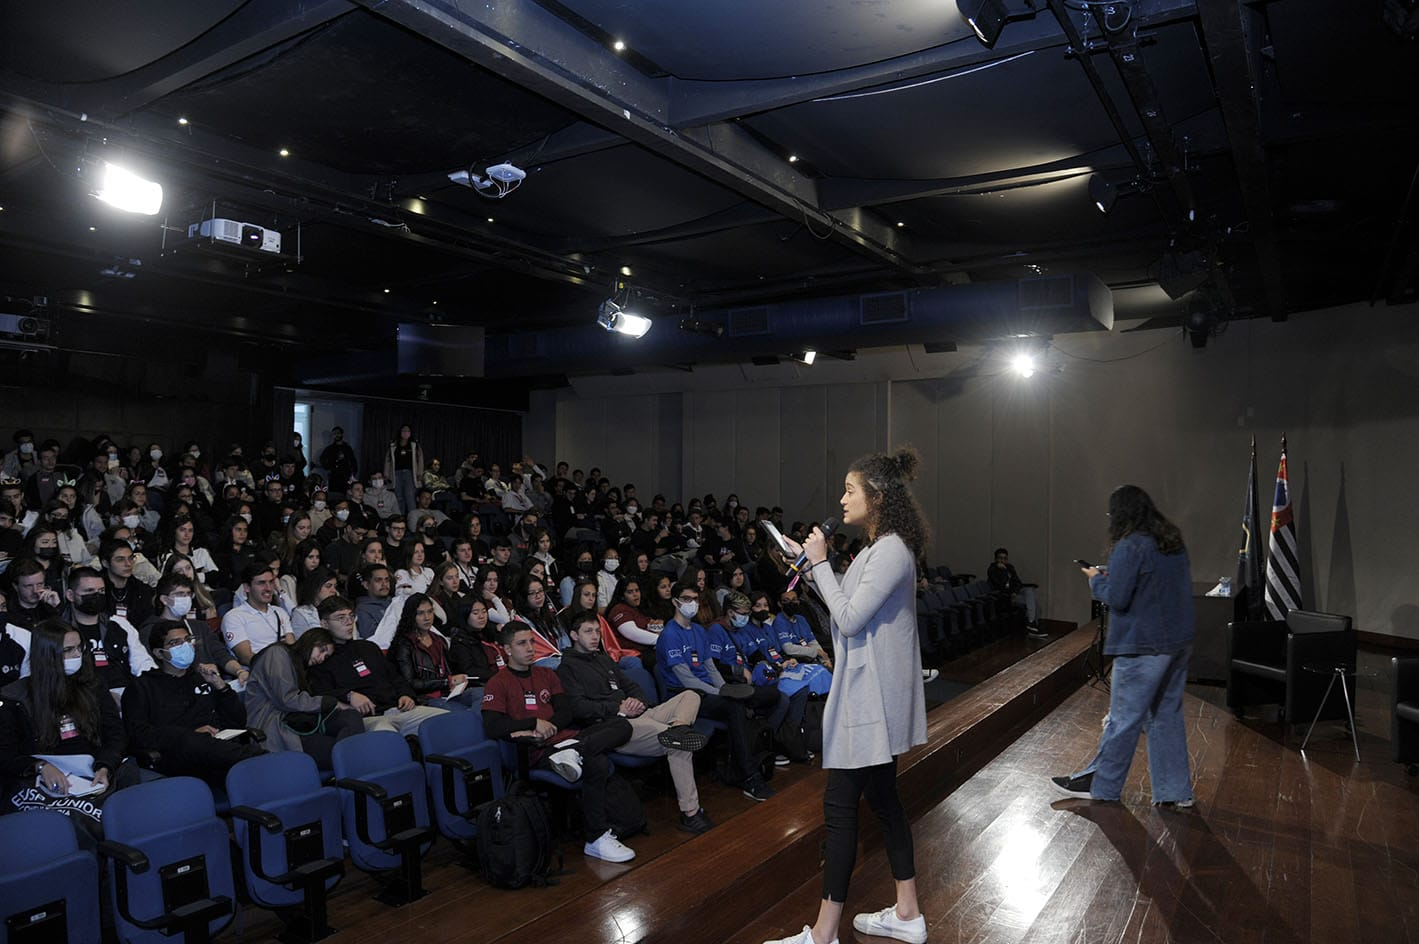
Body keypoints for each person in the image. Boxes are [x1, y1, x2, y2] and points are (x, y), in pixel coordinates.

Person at [769, 447, 930, 944]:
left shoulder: (890, 551)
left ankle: (822, 935)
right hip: (871, 694)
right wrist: (811, 567)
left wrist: (819, 565)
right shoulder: (879, 549)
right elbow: (846, 604)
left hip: (870, 700)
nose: (841, 499)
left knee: (841, 810)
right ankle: (907, 914)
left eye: (850, 489)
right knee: (883, 801)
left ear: (877, 497)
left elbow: (850, 619)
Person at [1052, 485, 1194, 807]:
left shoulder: (1129, 545)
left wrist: (1096, 580)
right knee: (1166, 716)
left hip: (1143, 646)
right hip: (1178, 643)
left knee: (1123, 718)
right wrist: (1113, 575)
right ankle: (1175, 792)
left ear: (1119, 515)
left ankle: (1101, 785)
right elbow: (1152, 585)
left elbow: (1117, 597)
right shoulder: (1171, 543)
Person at [480, 621, 636, 863]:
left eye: (532, 641)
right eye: (522, 643)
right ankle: (596, 839)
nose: (530, 648)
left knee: (622, 725)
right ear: (507, 650)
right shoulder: (498, 682)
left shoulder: (546, 674)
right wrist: (533, 724)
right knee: (597, 762)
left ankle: (576, 751)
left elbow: (566, 712)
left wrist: (549, 725)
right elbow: (492, 726)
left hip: (566, 741)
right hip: (537, 749)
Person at [556, 608, 714, 834]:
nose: (594, 636)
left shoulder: (603, 659)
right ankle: (690, 813)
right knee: (677, 745)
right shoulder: (567, 668)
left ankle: (679, 728)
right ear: (573, 635)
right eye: (588, 631)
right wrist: (618, 708)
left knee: (690, 695)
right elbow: (578, 708)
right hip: (615, 728)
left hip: (640, 715)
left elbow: (631, 686)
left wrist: (638, 700)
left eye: (597, 632)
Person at [0, 620, 134, 841]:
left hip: (93, 771)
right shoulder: (14, 698)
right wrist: (39, 766)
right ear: (47, 655)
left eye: (79, 647)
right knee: (71, 825)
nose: (77, 655)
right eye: (68, 650)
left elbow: (116, 734)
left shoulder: (92, 684)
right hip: (43, 779)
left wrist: (105, 765)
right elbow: (6, 755)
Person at [656, 580, 774, 802]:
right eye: (687, 599)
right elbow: (686, 678)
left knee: (751, 699)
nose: (692, 603)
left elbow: (710, 667)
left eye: (695, 599)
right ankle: (748, 775)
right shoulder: (669, 634)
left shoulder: (700, 630)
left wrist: (723, 688)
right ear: (675, 601)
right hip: (684, 697)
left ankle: (744, 767)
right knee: (734, 706)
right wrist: (719, 693)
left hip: (708, 692)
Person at [122, 620, 267, 789]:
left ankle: (261, 765)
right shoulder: (141, 687)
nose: (184, 646)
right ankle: (262, 759)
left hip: (219, 754)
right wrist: (190, 734)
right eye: (175, 643)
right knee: (191, 741)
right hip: (178, 759)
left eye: (187, 640)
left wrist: (220, 686)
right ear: (159, 653)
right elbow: (139, 735)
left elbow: (237, 721)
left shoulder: (202, 678)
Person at [305, 595, 447, 735]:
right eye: (341, 618)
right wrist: (349, 695)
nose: (349, 622)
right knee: (386, 735)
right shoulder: (322, 657)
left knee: (447, 719)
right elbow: (320, 694)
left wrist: (405, 694)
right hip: (366, 718)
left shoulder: (368, 647)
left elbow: (395, 676)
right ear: (324, 623)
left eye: (351, 616)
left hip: (397, 709)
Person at [243, 627, 364, 769]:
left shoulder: (301, 665)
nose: (321, 658)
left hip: (300, 720)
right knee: (345, 752)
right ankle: (349, 762)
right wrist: (332, 703)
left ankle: (348, 761)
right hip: (277, 725)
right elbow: (287, 700)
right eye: (322, 650)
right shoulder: (277, 653)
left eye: (326, 656)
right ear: (311, 641)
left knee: (351, 715)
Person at [388, 592, 476, 710]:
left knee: (480, 696)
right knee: (462, 712)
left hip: (447, 693)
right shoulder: (404, 643)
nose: (427, 617)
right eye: (420, 613)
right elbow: (410, 683)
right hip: (423, 699)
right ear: (411, 616)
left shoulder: (439, 640)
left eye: (430, 612)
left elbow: (449, 672)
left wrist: (455, 683)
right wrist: (447, 682)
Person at [988, 546, 1043, 636]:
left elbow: (1018, 583)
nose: (1002, 561)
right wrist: (1004, 571)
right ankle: (1032, 625)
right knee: (1034, 602)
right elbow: (1001, 585)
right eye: (1000, 558)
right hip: (1004, 597)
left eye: (1005, 558)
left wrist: (1014, 592)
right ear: (995, 559)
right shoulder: (992, 570)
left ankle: (1031, 624)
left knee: (1030, 592)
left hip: (1014, 595)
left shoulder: (1010, 567)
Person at [383, 425, 423, 519]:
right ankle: (400, 519)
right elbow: (388, 460)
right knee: (399, 497)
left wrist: (420, 473)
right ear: (400, 432)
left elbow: (420, 459)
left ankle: (413, 520)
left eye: (407, 431)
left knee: (409, 497)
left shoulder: (414, 444)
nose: (405, 433)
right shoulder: (393, 444)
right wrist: (386, 474)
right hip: (396, 474)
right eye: (403, 431)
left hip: (410, 473)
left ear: (410, 433)